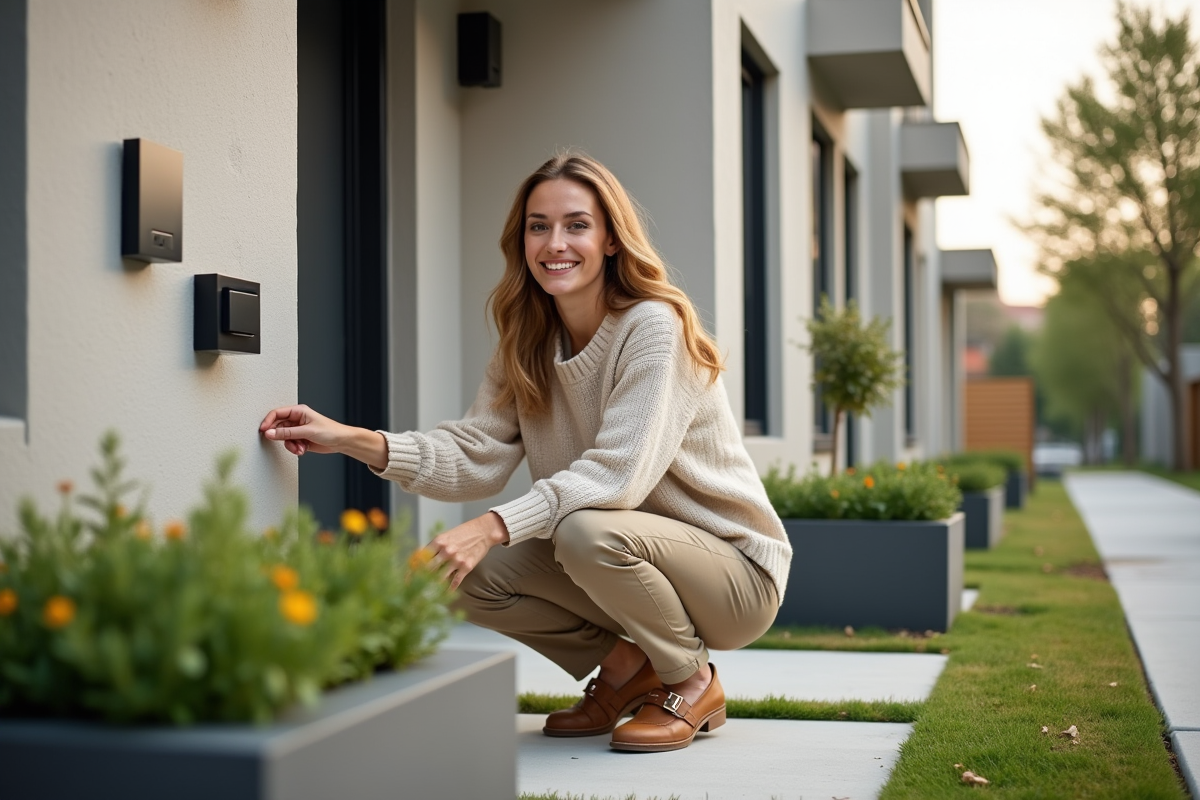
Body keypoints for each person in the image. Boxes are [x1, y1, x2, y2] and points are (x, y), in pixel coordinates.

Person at [259, 153, 791, 753]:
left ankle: (692, 681)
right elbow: (475, 454)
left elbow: (617, 476)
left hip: (733, 575)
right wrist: (351, 439)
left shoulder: (654, 326)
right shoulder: (528, 342)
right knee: (457, 575)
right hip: (626, 563)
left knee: (584, 531)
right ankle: (626, 669)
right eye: (539, 226)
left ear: (612, 239)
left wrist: (492, 526)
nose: (554, 243)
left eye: (576, 225)